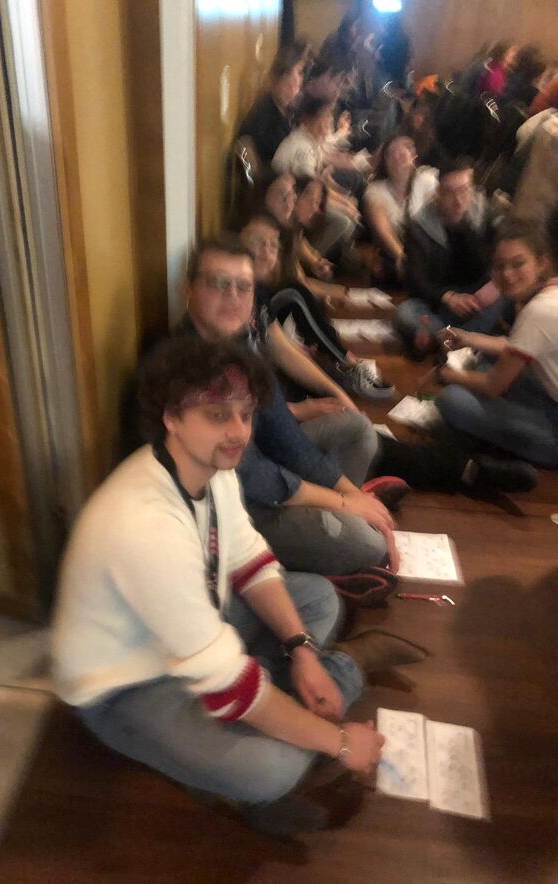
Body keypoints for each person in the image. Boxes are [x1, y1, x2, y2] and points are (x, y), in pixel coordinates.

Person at [53, 335, 430, 836]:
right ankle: (345, 668)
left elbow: (249, 558)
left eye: (245, 414)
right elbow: (229, 686)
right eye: (217, 415)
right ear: (171, 417)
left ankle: (282, 689)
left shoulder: (210, 466)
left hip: (192, 633)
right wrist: (340, 743)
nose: (237, 432)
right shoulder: (144, 525)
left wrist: (302, 650)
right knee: (273, 769)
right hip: (127, 685)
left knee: (317, 598)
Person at [176, 237, 399, 578]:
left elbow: (285, 436)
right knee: (369, 544)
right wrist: (340, 502)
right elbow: (253, 477)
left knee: (357, 428)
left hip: (266, 473)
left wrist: (352, 497)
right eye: (218, 283)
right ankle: (314, 545)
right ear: (188, 290)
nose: (233, 296)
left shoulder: (240, 346)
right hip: (229, 512)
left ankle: (331, 529)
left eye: (243, 286)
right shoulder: (183, 369)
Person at [436, 216, 558, 467]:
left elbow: (493, 386)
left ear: (542, 263)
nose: (507, 275)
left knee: (452, 399)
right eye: (500, 266)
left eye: (518, 264)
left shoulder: (538, 311)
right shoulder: (551, 293)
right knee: (486, 365)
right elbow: (515, 345)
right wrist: (469, 338)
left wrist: (444, 374)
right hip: (548, 397)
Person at [240, 211, 395, 401]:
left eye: (273, 245)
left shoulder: (289, 237)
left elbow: (279, 343)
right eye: (258, 243)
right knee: (293, 294)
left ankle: (341, 364)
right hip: (259, 391)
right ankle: (345, 362)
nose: (266, 252)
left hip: (271, 365)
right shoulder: (244, 294)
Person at [396, 157, 507, 355]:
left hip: (478, 296)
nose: (458, 200)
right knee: (405, 312)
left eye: (464, 190)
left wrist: (496, 284)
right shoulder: (420, 226)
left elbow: (502, 255)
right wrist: (448, 297)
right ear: (437, 193)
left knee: (505, 295)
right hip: (441, 300)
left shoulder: (483, 212)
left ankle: (448, 340)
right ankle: (465, 341)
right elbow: (415, 280)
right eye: (450, 192)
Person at [272, 96, 360, 258]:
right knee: (343, 221)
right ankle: (309, 260)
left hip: (304, 196)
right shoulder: (303, 149)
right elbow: (312, 191)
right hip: (291, 201)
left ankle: (343, 257)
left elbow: (321, 182)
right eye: (324, 117)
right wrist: (345, 206)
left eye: (329, 116)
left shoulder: (311, 141)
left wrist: (345, 198)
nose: (329, 121)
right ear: (308, 119)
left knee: (351, 206)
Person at [363, 134, 438, 284]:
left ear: (413, 156)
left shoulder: (426, 181)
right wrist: (403, 258)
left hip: (425, 250)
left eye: (403, 153)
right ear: (385, 160)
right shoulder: (375, 190)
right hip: (394, 253)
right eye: (391, 154)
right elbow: (382, 229)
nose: (397, 158)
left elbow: (437, 219)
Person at [237, 48, 303, 167]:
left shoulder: (288, 109)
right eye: (299, 72)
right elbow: (249, 153)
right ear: (283, 77)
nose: (300, 80)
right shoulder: (263, 112)